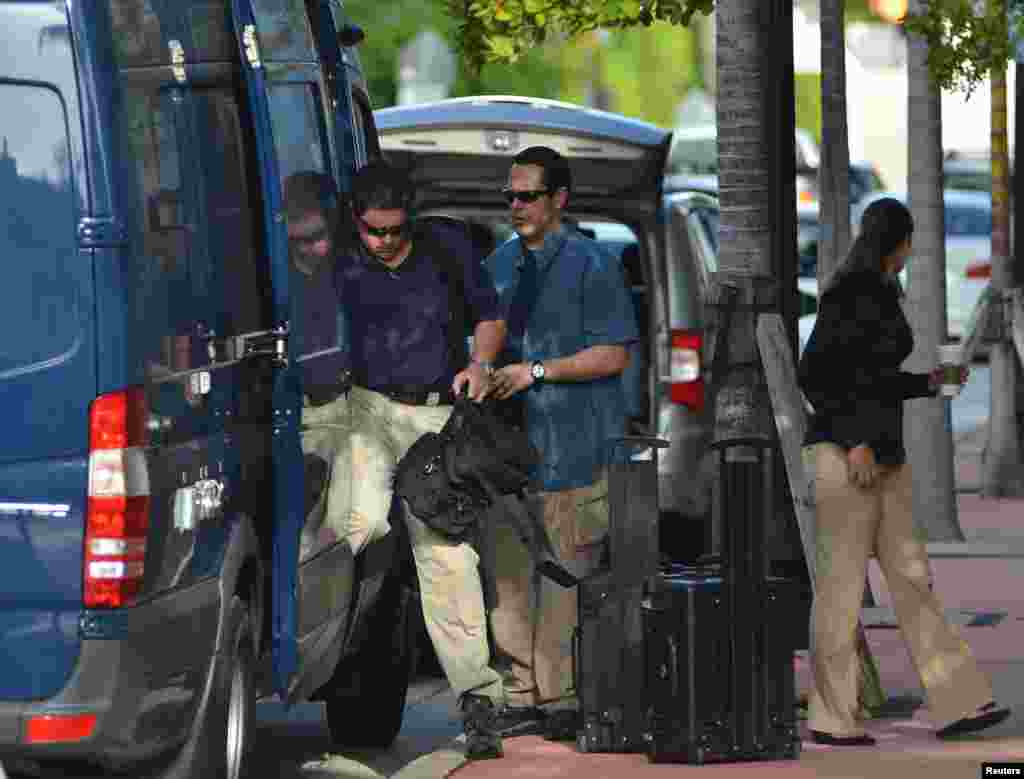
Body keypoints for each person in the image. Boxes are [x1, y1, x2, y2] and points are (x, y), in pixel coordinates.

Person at [798, 197, 1010, 746]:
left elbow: (872, 376)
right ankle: (831, 717)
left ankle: (960, 701)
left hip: (883, 459)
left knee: (913, 577)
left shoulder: (880, 290)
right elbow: (818, 375)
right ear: (901, 241)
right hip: (848, 457)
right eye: (910, 240)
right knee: (841, 589)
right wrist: (856, 440)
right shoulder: (851, 293)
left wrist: (927, 383)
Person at [334, 159, 509, 760]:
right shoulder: (339, 253)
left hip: (434, 418)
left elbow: (489, 314)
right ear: (356, 221)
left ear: (411, 219)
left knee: (447, 555)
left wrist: (480, 364)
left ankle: (479, 697)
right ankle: (353, 642)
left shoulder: (447, 246)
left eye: (395, 231)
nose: (384, 242)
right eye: (373, 231)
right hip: (363, 407)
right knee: (357, 524)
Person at [485, 146, 639, 738]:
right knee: (508, 574)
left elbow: (615, 353)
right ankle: (521, 696)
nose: (517, 206)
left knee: (566, 577)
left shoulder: (592, 264)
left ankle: (561, 700)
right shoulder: (497, 265)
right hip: (506, 455)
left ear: (559, 200)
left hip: (575, 448)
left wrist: (537, 371)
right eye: (511, 196)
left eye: (528, 195)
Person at [283, 171, 352, 560]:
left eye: (316, 238)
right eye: (297, 241)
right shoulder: (279, 281)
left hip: (338, 411)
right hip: (297, 413)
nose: (308, 250)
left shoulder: (347, 276)